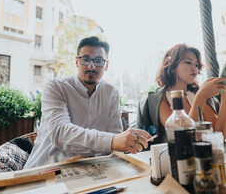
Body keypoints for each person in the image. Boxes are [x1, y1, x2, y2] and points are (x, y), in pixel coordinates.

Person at [24, 36, 151, 168]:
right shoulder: (56, 87)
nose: (92, 66)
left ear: (106, 65)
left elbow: (114, 136)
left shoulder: (111, 92)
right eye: (86, 59)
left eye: (98, 60)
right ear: (77, 62)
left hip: (91, 169)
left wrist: (112, 144)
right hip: (45, 168)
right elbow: (60, 132)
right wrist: (112, 141)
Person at [137, 43, 226, 143]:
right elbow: (183, 138)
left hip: (205, 154)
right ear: (172, 66)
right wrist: (201, 96)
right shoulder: (157, 99)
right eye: (188, 62)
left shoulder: (196, 94)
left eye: (196, 64)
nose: (194, 68)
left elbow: (220, 135)